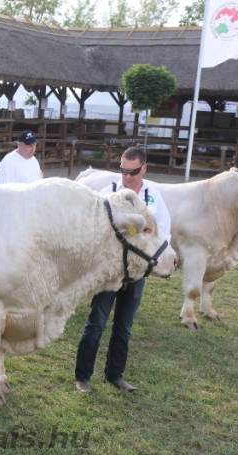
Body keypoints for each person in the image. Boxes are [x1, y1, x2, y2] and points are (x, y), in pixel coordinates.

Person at [74, 146, 170, 394]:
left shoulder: (154, 196)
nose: (127, 177)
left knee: (124, 326)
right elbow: (93, 230)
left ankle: (115, 374)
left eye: (133, 171)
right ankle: (82, 377)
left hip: (137, 272)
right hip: (111, 272)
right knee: (96, 323)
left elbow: (163, 232)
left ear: (144, 168)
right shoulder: (108, 194)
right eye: (123, 171)